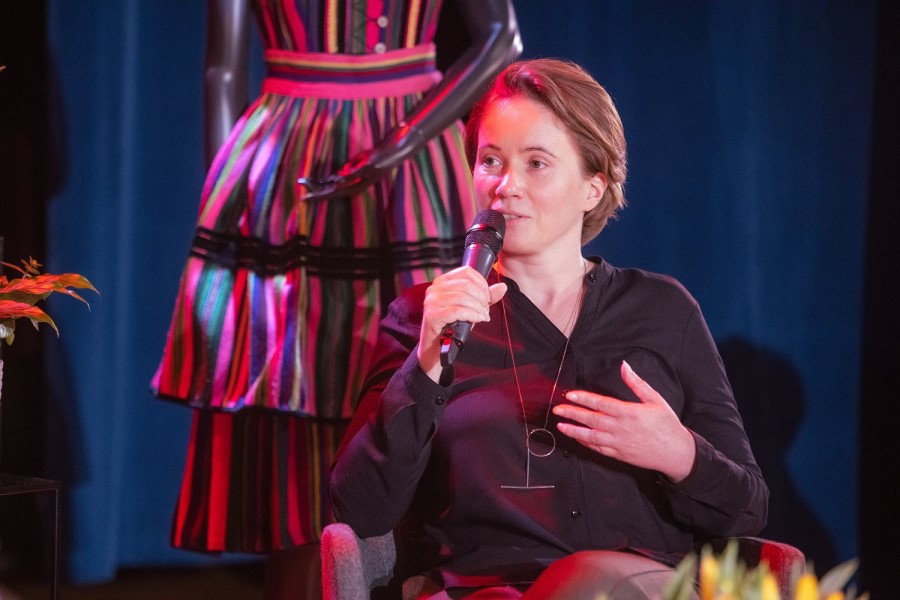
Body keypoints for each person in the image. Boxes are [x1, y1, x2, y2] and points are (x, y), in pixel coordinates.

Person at [329, 58, 768, 599]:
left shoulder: (662, 311)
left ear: (592, 187)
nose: (505, 186)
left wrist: (678, 453)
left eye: (536, 163)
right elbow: (360, 513)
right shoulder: (424, 316)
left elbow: (747, 510)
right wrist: (425, 366)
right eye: (491, 161)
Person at [151, 1, 521, 597]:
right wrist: (231, 194)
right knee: (289, 376)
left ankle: (421, 566)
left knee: (423, 359)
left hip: (412, 160)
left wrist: (401, 140)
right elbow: (221, 71)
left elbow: (502, 36)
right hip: (289, 162)